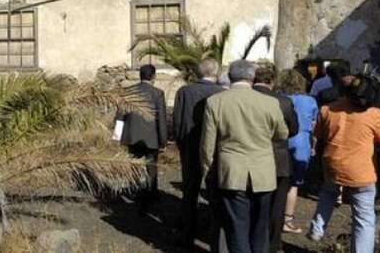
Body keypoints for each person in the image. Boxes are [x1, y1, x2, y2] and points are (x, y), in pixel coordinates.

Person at [201, 60, 289, 253]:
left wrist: (208, 171)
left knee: (237, 227)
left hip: (232, 171)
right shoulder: (270, 102)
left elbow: (208, 143)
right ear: (252, 77)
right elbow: (282, 134)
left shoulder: (216, 102)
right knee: (260, 227)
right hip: (264, 172)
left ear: (230, 76)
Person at [307, 75, 380, 251]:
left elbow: (318, 134)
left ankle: (317, 228)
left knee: (328, 191)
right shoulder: (373, 114)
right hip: (360, 171)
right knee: (364, 218)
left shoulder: (328, 109)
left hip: (332, 164)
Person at [173, 58, 224, 249]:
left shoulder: (185, 92)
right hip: (215, 150)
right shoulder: (222, 93)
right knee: (215, 192)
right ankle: (213, 235)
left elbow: (177, 122)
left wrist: (181, 143)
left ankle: (187, 233)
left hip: (190, 146)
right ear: (216, 72)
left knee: (190, 191)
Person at [253, 67, 299, 253]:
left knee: (252, 201)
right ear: (272, 81)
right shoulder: (284, 102)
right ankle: (273, 243)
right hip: (278, 158)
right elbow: (293, 130)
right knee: (277, 204)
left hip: (252, 156)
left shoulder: (244, 98)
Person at [115, 64, 167, 213]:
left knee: (134, 164)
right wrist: (163, 140)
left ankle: (135, 190)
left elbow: (120, 115)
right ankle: (151, 193)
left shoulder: (128, 92)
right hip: (151, 137)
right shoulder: (158, 93)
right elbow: (161, 119)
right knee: (151, 166)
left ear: (140, 76)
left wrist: (117, 136)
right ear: (153, 77)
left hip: (131, 135)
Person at [274, 69, 318, 234]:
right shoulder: (310, 101)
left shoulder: (277, 99)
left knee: (275, 180)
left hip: (279, 141)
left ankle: (271, 216)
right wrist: (313, 146)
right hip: (301, 142)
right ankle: (287, 220)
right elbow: (314, 125)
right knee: (293, 185)